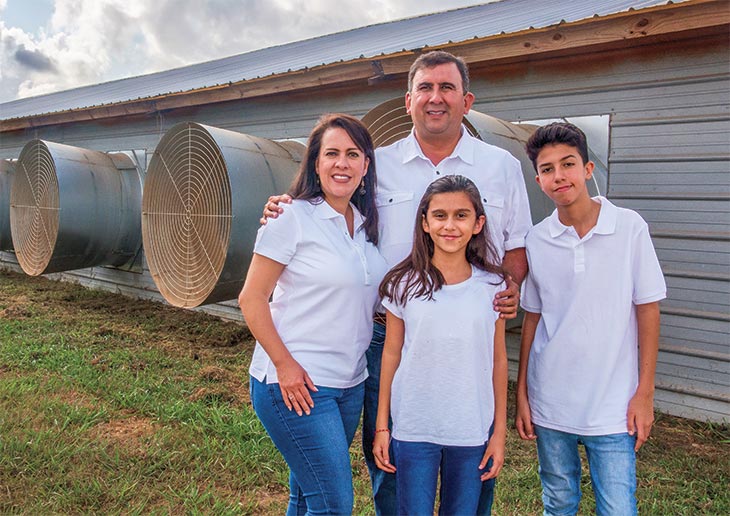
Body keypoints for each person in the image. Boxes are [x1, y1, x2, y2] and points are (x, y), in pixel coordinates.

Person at [263, 51, 532, 515]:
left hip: (471, 333)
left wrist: (509, 288)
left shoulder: (501, 166)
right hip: (388, 332)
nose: (436, 98)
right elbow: (330, 204)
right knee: (386, 457)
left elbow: (517, 247)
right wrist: (285, 205)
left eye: (447, 88)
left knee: (473, 463)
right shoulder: (376, 165)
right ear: (408, 101)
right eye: (425, 88)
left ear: (466, 101)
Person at [239, 113, 388, 514]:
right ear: (316, 163)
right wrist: (285, 366)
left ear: (366, 165)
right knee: (334, 504)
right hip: (297, 383)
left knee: (306, 497)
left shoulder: (366, 224)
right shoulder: (291, 217)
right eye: (332, 154)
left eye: (352, 154)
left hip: (350, 382)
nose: (342, 163)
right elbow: (251, 299)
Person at [515, 122, 666, 515]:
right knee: (559, 501)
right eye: (547, 169)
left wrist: (644, 392)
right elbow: (533, 318)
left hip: (613, 404)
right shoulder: (537, 239)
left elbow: (648, 309)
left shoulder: (629, 228)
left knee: (618, 507)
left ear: (587, 169)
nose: (558, 175)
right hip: (551, 400)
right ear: (539, 180)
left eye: (568, 164)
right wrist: (522, 392)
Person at [372, 175, 508, 514]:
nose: (450, 225)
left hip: (471, 429)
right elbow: (390, 355)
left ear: (478, 223)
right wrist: (382, 426)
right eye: (440, 215)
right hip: (414, 426)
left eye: (461, 215)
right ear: (425, 222)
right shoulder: (402, 285)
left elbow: (499, 360)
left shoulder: (494, 285)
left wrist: (498, 433)